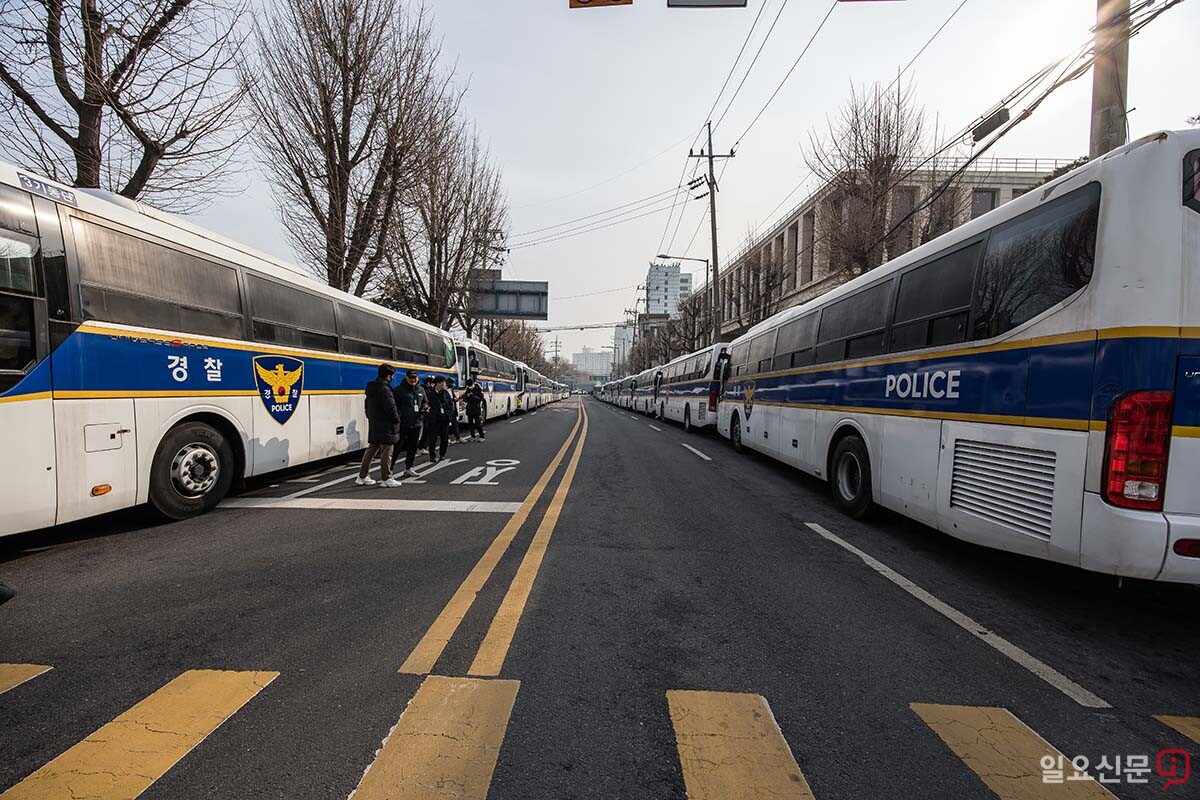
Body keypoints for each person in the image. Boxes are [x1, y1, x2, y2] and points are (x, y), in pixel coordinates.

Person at [357, 363, 402, 487]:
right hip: (386, 425)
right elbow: (391, 408)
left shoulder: (371, 388)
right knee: (387, 452)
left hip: (375, 423)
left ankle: (362, 475)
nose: (392, 378)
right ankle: (386, 478)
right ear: (388, 376)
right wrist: (397, 419)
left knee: (371, 449)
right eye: (392, 375)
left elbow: (367, 407)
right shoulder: (385, 389)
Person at [391, 369, 426, 478]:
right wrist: (400, 418)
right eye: (410, 377)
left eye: (415, 377)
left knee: (413, 447)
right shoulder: (399, 390)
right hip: (403, 424)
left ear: (418, 378)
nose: (413, 380)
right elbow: (395, 406)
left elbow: (425, 402)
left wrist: (425, 407)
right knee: (397, 447)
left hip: (417, 423)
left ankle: (409, 468)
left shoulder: (421, 390)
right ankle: (390, 469)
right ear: (406, 377)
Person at [426, 376, 455, 463]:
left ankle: (442, 454)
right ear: (437, 384)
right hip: (434, 420)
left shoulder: (445, 393)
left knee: (444, 438)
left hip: (445, 419)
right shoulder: (430, 394)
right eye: (442, 383)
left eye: (444, 383)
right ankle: (432, 455)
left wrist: (449, 415)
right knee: (432, 439)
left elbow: (450, 404)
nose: (443, 385)